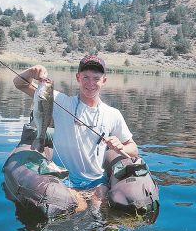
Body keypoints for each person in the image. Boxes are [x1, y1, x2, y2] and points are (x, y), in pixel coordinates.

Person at [13, 55, 138, 208]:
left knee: (99, 208)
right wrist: (31, 72)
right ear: (78, 77)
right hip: (63, 179)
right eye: (86, 77)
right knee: (79, 207)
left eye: (96, 78)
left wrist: (121, 147)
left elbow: (133, 149)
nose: (90, 83)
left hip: (98, 180)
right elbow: (19, 83)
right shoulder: (60, 101)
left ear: (104, 80)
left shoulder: (113, 114)